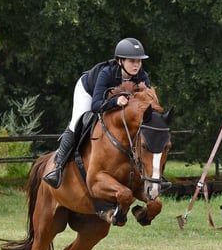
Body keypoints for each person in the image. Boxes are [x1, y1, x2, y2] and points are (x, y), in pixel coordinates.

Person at [43, 37, 168, 189]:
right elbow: (96, 105)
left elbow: (147, 106)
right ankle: (58, 167)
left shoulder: (142, 76)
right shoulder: (106, 73)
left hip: (115, 101)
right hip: (88, 91)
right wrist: (115, 102)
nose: (136, 65)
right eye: (132, 61)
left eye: (139, 61)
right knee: (77, 122)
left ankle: (155, 173)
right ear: (120, 60)